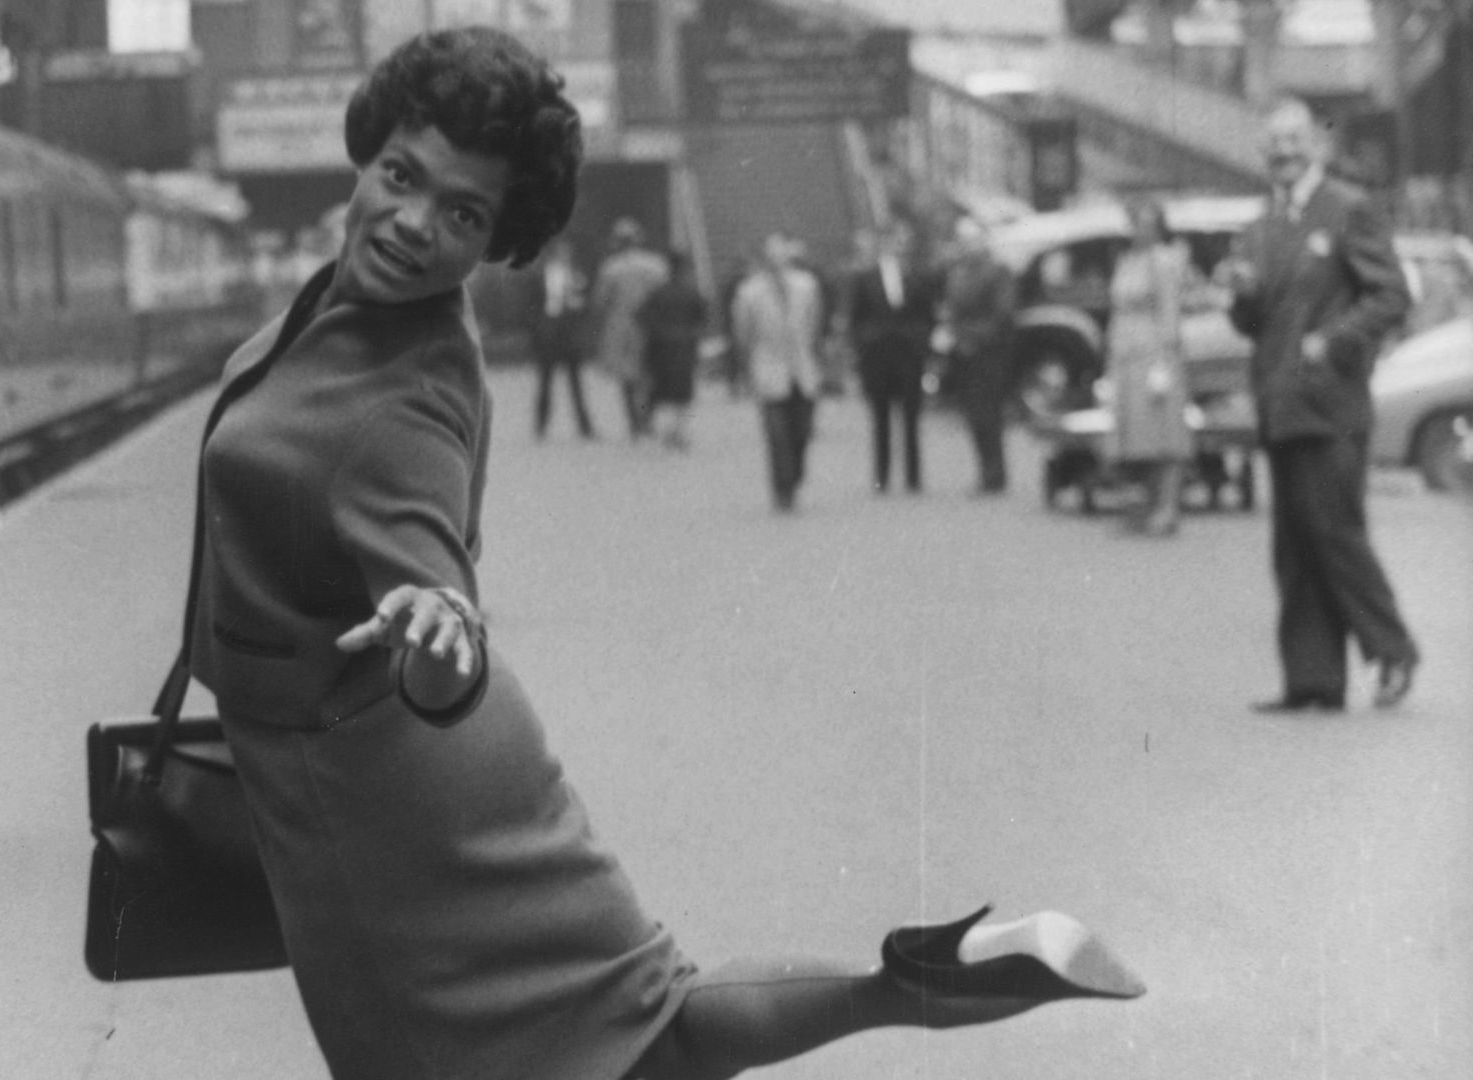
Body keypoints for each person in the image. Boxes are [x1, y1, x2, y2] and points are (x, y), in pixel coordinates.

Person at [180, 31, 1144, 1079]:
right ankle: (923, 977)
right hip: (398, 779)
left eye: (462, 214)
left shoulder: (405, 401)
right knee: (642, 1021)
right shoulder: (350, 304)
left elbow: (437, 590)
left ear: (495, 240)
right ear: (365, 157)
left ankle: (916, 984)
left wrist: (441, 621)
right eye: (401, 178)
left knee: (566, 1038)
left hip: (386, 798)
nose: (413, 224)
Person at [1226, 98, 1419, 712]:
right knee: (1294, 542)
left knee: (1335, 533)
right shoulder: (1259, 227)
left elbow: (1390, 298)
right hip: (1280, 403)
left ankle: (1392, 652)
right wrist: (1241, 298)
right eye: (1273, 142)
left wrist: (1333, 341)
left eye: (1294, 139)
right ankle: (1313, 681)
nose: (1283, 151)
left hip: (1331, 404)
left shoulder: (1348, 209)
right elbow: (1253, 321)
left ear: (1317, 145)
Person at [1107, 201, 1193, 536]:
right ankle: (1145, 505)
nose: (1138, 230)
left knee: (1163, 431)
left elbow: (1169, 310)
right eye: (1135, 222)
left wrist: (1165, 360)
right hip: (1125, 352)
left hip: (1152, 351)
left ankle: (1167, 506)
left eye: (1146, 223)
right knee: (1135, 432)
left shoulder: (1163, 260)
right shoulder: (1127, 260)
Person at [733, 232, 826, 512]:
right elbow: (743, 333)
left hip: (802, 369)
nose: (777, 262)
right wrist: (749, 367)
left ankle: (795, 476)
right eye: (771, 257)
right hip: (769, 368)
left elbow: (814, 324)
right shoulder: (748, 292)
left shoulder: (807, 286)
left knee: (801, 431)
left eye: (781, 256)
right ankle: (781, 488)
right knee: (776, 434)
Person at [847, 222, 937, 493]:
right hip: (878, 359)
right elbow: (856, 319)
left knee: (911, 418)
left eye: (899, 242)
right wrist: (867, 341)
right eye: (890, 242)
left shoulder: (918, 277)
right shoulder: (865, 279)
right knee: (880, 419)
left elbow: (927, 316)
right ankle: (882, 476)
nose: (895, 247)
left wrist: (918, 341)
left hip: (909, 357)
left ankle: (913, 476)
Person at [937, 217, 1018, 494]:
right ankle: (984, 469)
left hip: (989, 353)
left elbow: (1002, 314)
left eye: (970, 240)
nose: (966, 246)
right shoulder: (957, 273)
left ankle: (995, 472)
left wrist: (972, 336)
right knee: (973, 415)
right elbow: (951, 309)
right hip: (962, 353)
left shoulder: (997, 271)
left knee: (990, 414)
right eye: (962, 240)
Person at [590, 216, 669, 440]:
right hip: (652, 326)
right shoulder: (656, 264)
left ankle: (634, 422)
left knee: (627, 377)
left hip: (622, 326)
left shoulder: (611, 268)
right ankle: (648, 418)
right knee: (650, 373)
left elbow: (600, 300)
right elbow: (664, 295)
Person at [637, 250, 709, 451]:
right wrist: (691, 335)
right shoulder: (692, 293)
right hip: (685, 348)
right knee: (684, 394)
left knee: (658, 391)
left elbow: (641, 316)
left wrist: (658, 332)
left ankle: (657, 429)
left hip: (660, 350)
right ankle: (679, 432)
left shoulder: (657, 293)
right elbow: (703, 320)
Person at [529, 236, 596, 439]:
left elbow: (586, 301)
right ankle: (541, 425)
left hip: (569, 332)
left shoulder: (577, 275)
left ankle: (585, 426)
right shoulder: (541, 275)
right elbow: (531, 304)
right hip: (549, 329)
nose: (564, 256)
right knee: (545, 381)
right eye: (561, 252)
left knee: (576, 382)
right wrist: (536, 328)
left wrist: (579, 305)